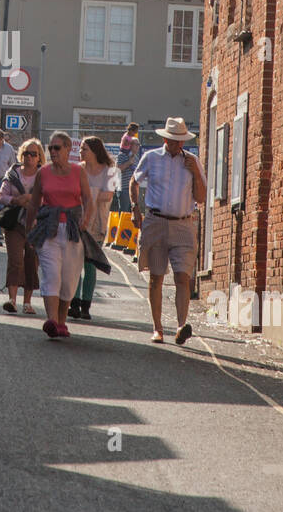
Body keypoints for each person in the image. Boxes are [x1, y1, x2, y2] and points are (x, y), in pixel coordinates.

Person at [130, 116, 207, 345]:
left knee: (183, 276)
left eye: (181, 140)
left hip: (183, 223)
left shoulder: (192, 161)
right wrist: (135, 208)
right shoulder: (151, 158)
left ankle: (181, 326)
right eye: (173, 140)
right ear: (165, 139)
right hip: (156, 221)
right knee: (156, 277)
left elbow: (201, 197)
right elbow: (134, 181)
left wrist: (194, 172)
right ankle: (157, 328)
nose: (177, 144)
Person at [24, 131, 93, 339]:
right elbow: (34, 203)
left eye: (56, 148)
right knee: (52, 275)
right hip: (49, 229)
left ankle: (62, 322)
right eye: (50, 148)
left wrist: (86, 220)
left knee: (69, 280)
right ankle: (52, 321)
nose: (52, 152)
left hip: (72, 229)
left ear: (67, 149)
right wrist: (29, 231)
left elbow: (88, 200)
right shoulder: (43, 173)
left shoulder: (78, 172)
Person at [70, 136, 117, 321]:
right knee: (74, 264)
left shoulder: (110, 171)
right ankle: (74, 302)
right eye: (81, 149)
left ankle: (86, 305)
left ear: (95, 151)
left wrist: (86, 192)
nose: (81, 152)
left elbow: (107, 196)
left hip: (96, 223)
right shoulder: (77, 169)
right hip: (78, 220)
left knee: (90, 265)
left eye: (84, 149)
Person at [0, 138, 43, 314]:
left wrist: (31, 201)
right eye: (26, 153)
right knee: (15, 260)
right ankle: (12, 300)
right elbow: (1, 196)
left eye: (33, 154)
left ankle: (27, 303)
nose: (29, 157)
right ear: (21, 154)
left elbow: (49, 199)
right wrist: (17, 200)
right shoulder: (13, 173)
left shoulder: (44, 175)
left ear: (39, 157)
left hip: (36, 224)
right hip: (15, 223)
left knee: (32, 261)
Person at [114, 122, 140, 217]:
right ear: (131, 145)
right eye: (136, 144)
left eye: (138, 145)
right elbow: (117, 169)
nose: (138, 147)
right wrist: (129, 162)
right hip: (124, 188)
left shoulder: (136, 157)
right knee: (124, 213)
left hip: (133, 189)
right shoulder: (122, 155)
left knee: (132, 214)